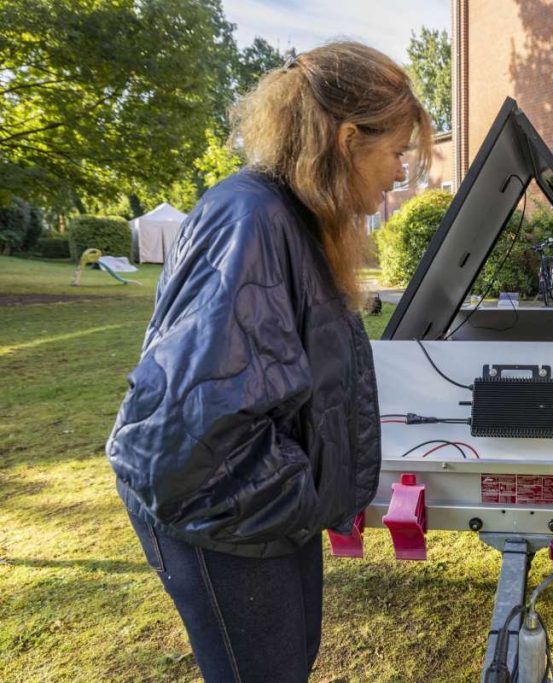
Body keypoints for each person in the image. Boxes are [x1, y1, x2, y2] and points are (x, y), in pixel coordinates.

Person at [106, 42, 432, 682]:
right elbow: (197, 424)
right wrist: (307, 494)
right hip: (217, 516)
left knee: (291, 661)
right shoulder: (252, 219)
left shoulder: (298, 218)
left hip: (256, 509)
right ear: (344, 140)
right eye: (396, 153)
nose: (400, 175)